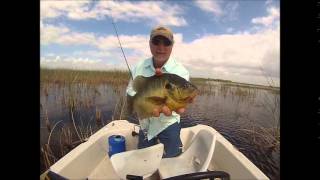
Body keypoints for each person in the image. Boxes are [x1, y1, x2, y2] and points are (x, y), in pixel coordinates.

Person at [126, 25, 192, 158]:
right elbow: (131, 90)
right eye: (156, 42)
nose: (161, 48)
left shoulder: (181, 72)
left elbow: (178, 101)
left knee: (172, 158)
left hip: (168, 123)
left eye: (166, 43)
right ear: (150, 44)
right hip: (145, 124)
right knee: (143, 158)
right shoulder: (139, 66)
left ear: (172, 45)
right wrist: (139, 103)